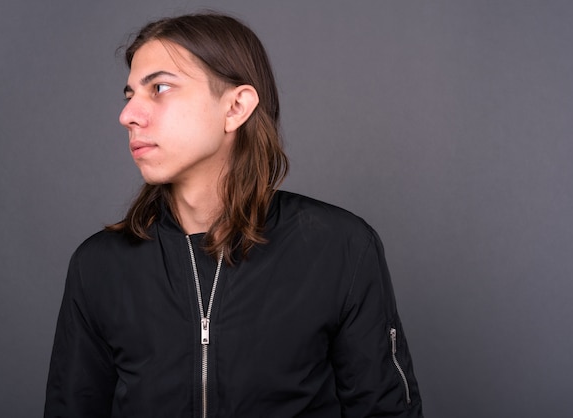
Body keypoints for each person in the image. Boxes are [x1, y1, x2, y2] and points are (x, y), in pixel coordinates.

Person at [44, 12, 424, 418]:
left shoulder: (342, 248)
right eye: (129, 95)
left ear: (236, 106)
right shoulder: (99, 265)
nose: (129, 115)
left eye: (159, 88)